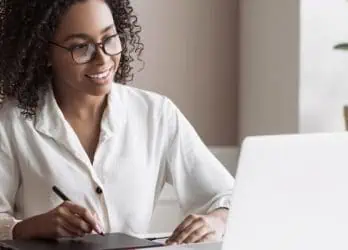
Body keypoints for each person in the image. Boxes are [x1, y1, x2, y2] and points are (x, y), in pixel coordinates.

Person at [0, 0, 234, 245]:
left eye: (109, 38)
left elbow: (227, 195)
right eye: (81, 47)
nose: (102, 59)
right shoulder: (13, 123)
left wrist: (216, 222)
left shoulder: (156, 114)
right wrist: (30, 227)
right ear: (44, 53)